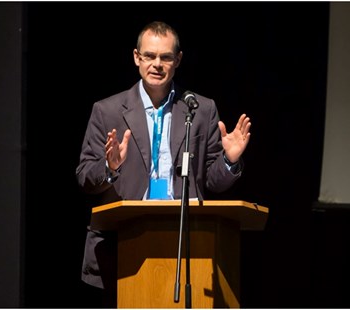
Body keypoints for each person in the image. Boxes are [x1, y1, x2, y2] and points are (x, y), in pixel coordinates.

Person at [75, 20, 251, 307]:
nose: (157, 64)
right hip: (123, 242)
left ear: (177, 60)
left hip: (188, 240)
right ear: (136, 57)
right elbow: (84, 177)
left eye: (165, 57)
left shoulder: (200, 109)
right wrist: (110, 168)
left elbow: (212, 181)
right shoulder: (106, 110)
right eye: (149, 56)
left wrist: (229, 160)